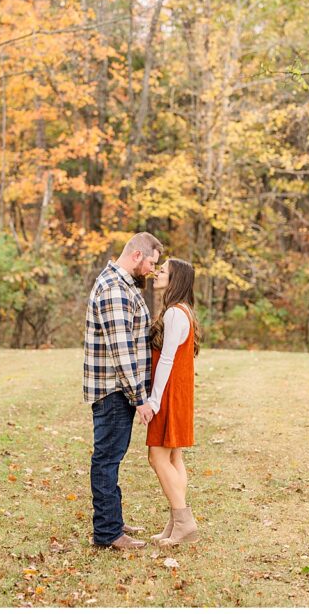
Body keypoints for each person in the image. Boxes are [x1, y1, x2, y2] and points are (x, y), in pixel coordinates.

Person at [84, 232, 163, 550]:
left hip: (118, 390)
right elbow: (122, 351)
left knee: (110, 458)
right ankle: (108, 533)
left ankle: (111, 519)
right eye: (151, 262)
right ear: (136, 256)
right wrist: (139, 397)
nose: (152, 270)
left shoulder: (122, 285)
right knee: (106, 459)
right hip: (115, 391)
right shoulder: (115, 289)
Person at [144, 257, 200, 545]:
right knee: (173, 456)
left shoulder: (175, 314)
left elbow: (166, 360)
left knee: (157, 456)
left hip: (168, 394)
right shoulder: (183, 311)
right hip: (177, 391)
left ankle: (184, 521)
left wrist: (154, 402)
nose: (157, 273)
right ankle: (176, 521)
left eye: (163, 271)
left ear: (175, 279)